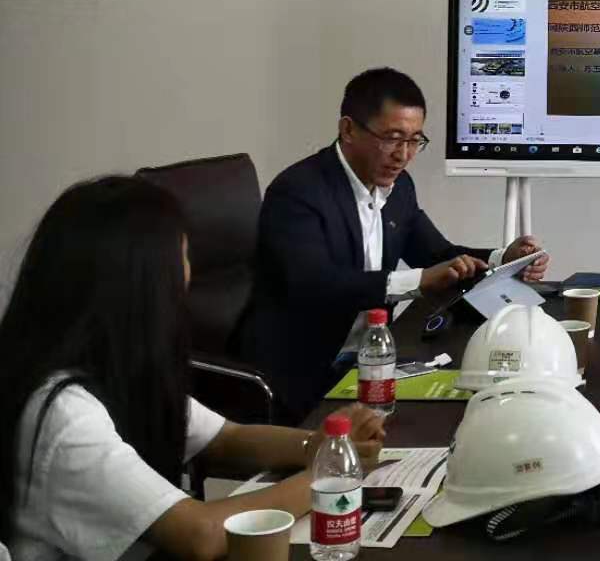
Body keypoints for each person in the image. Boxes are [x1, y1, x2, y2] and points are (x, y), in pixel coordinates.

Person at [0, 176, 387, 561]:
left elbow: (226, 437)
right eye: (182, 258)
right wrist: (330, 476)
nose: (188, 276)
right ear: (142, 284)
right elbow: (201, 535)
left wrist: (319, 446)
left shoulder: (117, 366)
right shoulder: (61, 413)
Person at [238, 68, 549, 419]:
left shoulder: (399, 188)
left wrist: (501, 258)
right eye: (392, 138)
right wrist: (419, 281)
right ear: (348, 130)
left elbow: (438, 255)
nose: (403, 155)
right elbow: (315, 285)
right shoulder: (298, 193)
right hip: (299, 374)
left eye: (415, 140)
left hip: (371, 361)